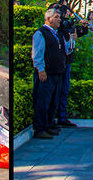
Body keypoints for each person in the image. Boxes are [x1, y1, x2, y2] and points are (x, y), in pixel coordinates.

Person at [31, 8, 66, 139]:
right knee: (43, 101)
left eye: (59, 17)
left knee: (53, 101)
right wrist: (41, 69)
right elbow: (37, 53)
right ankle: (40, 128)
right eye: (56, 17)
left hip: (57, 73)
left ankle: (49, 125)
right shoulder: (41, 33)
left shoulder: (57, 34)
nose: (59, 19)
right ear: (49, 19)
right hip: (46, 73)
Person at [53, 2, 77, 129]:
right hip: (59, 64)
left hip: (67, 62)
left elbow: (74, 39)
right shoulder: (57, 30)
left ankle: (62, 117)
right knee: (57, 91)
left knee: (64, 90)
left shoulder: (68, 26)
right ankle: (54, 119)